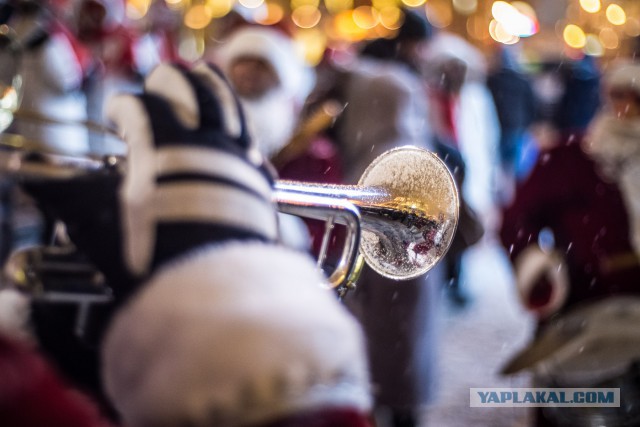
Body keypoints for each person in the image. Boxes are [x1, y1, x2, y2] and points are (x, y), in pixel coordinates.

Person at [499, 58, 640, 426]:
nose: (629, 107)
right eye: (621, 95)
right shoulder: (570, 158)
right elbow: (516, 222)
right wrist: (539, 266)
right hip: (578, 316)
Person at [332, 9, 440, 427]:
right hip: (395, 233)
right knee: (401, 337)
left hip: (383, 227)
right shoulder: (402, 92)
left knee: (385, 331)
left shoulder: (367, 94)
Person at [486, 45, 538, 204]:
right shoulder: (521, 79)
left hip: (501, 127)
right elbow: (532, 104)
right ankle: (515, 198)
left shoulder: (493, 80)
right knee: (515, 168)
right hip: (516, 127)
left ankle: (505, 198)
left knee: (501, 166)